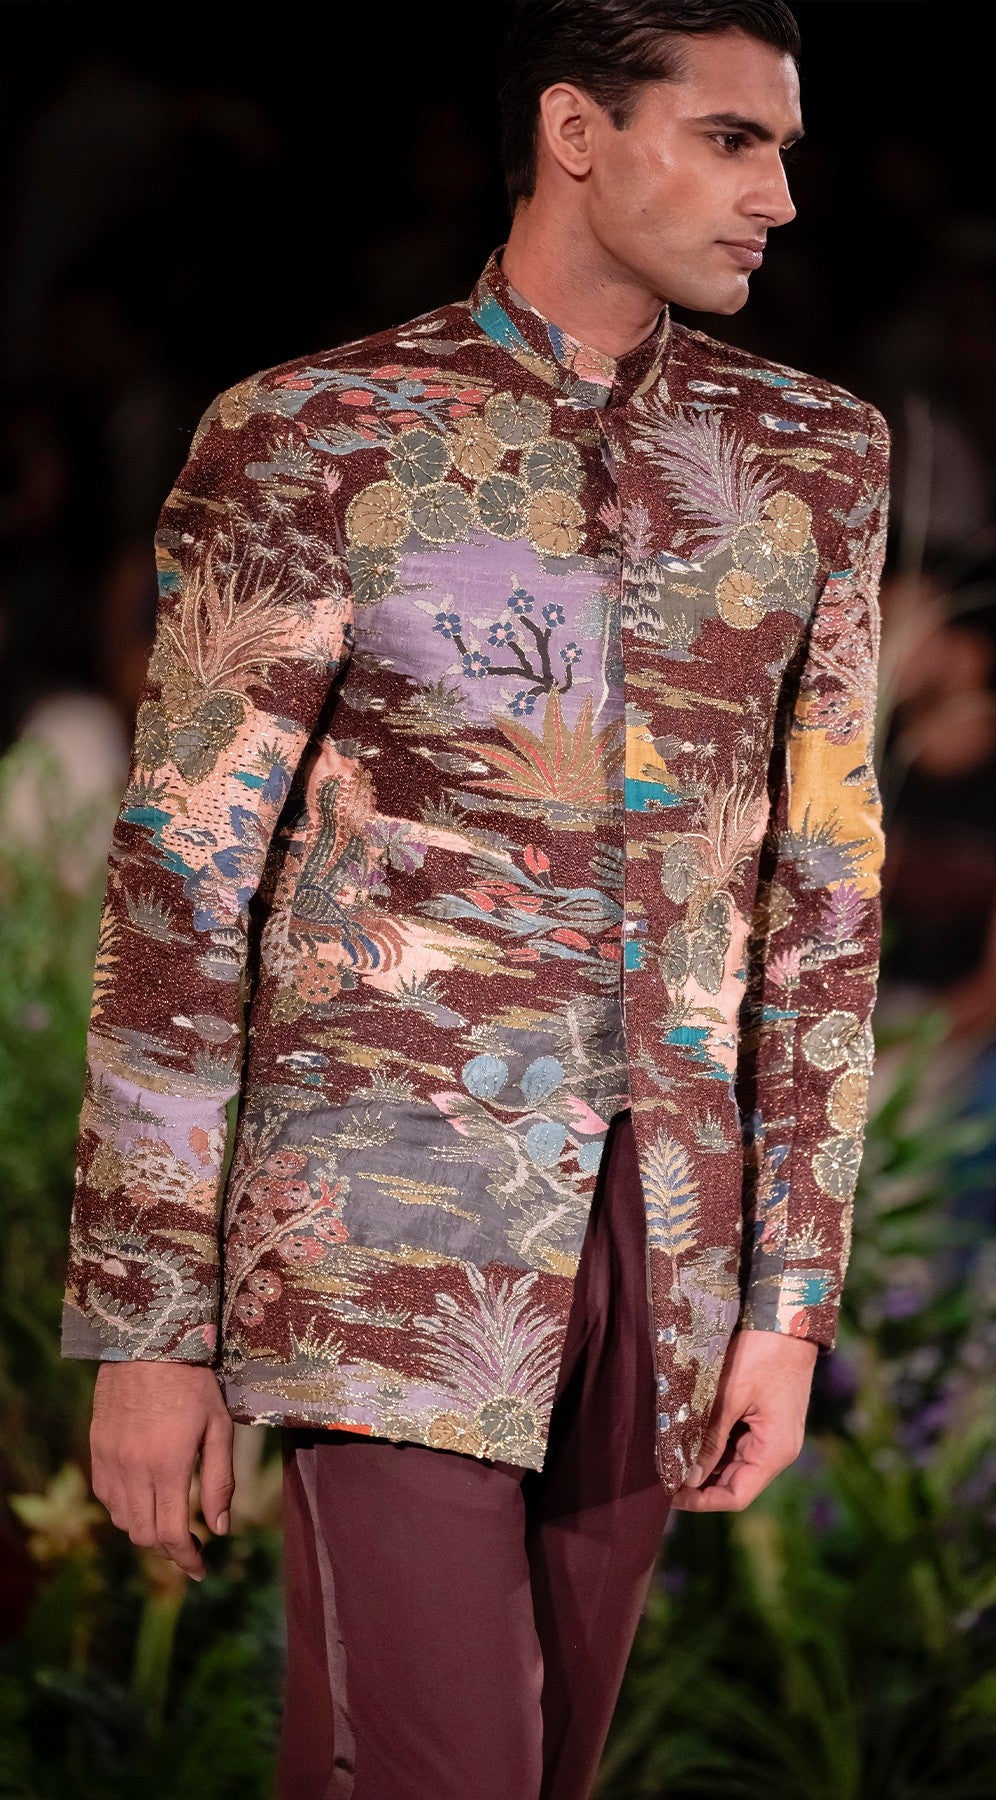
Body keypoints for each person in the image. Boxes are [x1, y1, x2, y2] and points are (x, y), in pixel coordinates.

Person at [58, 3, 890, 1794]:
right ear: (576, 132)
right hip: (381, 1226)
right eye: (732, 139)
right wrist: (145, 1326)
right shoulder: (315, 434)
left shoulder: (817, 453)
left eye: (784, 149)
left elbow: (826, 889)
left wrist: (790, 1297)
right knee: (449, 1767)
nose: (779, 196)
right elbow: (181, 887)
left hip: (671, 1237)